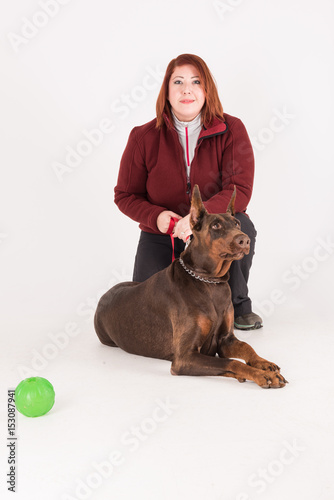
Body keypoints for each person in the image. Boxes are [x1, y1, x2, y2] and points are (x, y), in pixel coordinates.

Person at [114, 53, 262, 330]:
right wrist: (158, 218)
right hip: (163, 231)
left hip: (215, 227)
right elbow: (125, 194)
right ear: (166, 91)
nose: (186, 89)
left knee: (243, 226)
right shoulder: (142, 137)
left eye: (196, 81)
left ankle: (238, 303)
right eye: (178, 82)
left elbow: (239, 187)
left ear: (206, 90)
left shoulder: (232, 130)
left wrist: (198, 219)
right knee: (146, 311)